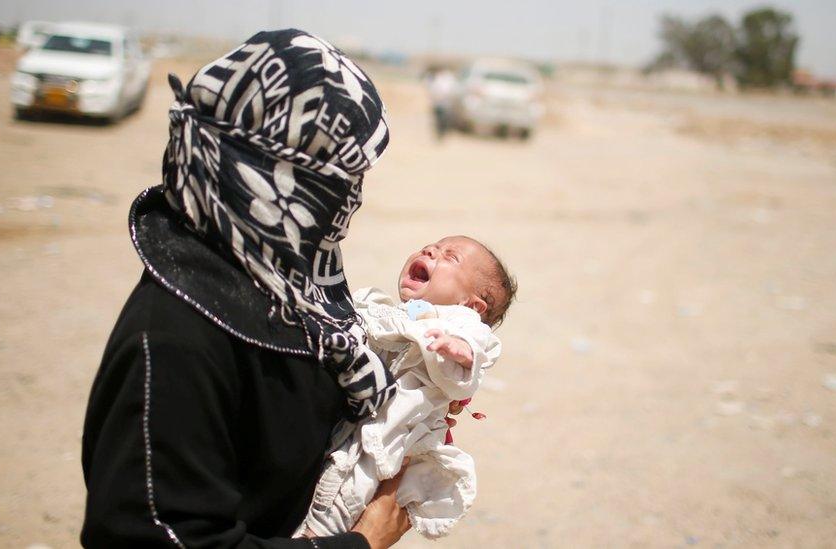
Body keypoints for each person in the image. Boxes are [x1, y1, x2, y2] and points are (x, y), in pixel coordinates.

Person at [81, 30, 407, 548]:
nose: (353, 198)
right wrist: (359, 544)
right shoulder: (175, 335)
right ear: (283, 176)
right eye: (345, 175)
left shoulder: (286, 288)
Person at [299, 236, 516, 539]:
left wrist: (458, 349)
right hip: (353, 420)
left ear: (472, 303)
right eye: (432, 247)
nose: (430, 251)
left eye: (450, 257)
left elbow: (478, 350)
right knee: (317, 482)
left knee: (344, 492)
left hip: (387, 436)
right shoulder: (392, 310)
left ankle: (318, 538)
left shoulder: (459, 321)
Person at [426, 68, 456, 140]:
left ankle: (442, 133)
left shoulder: (449, 79)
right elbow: (432, 89)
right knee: (438, 119)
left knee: (444, 120)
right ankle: (438, 133)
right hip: (437, 103)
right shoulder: (437, 79)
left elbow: (451, 90)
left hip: (445, 103)